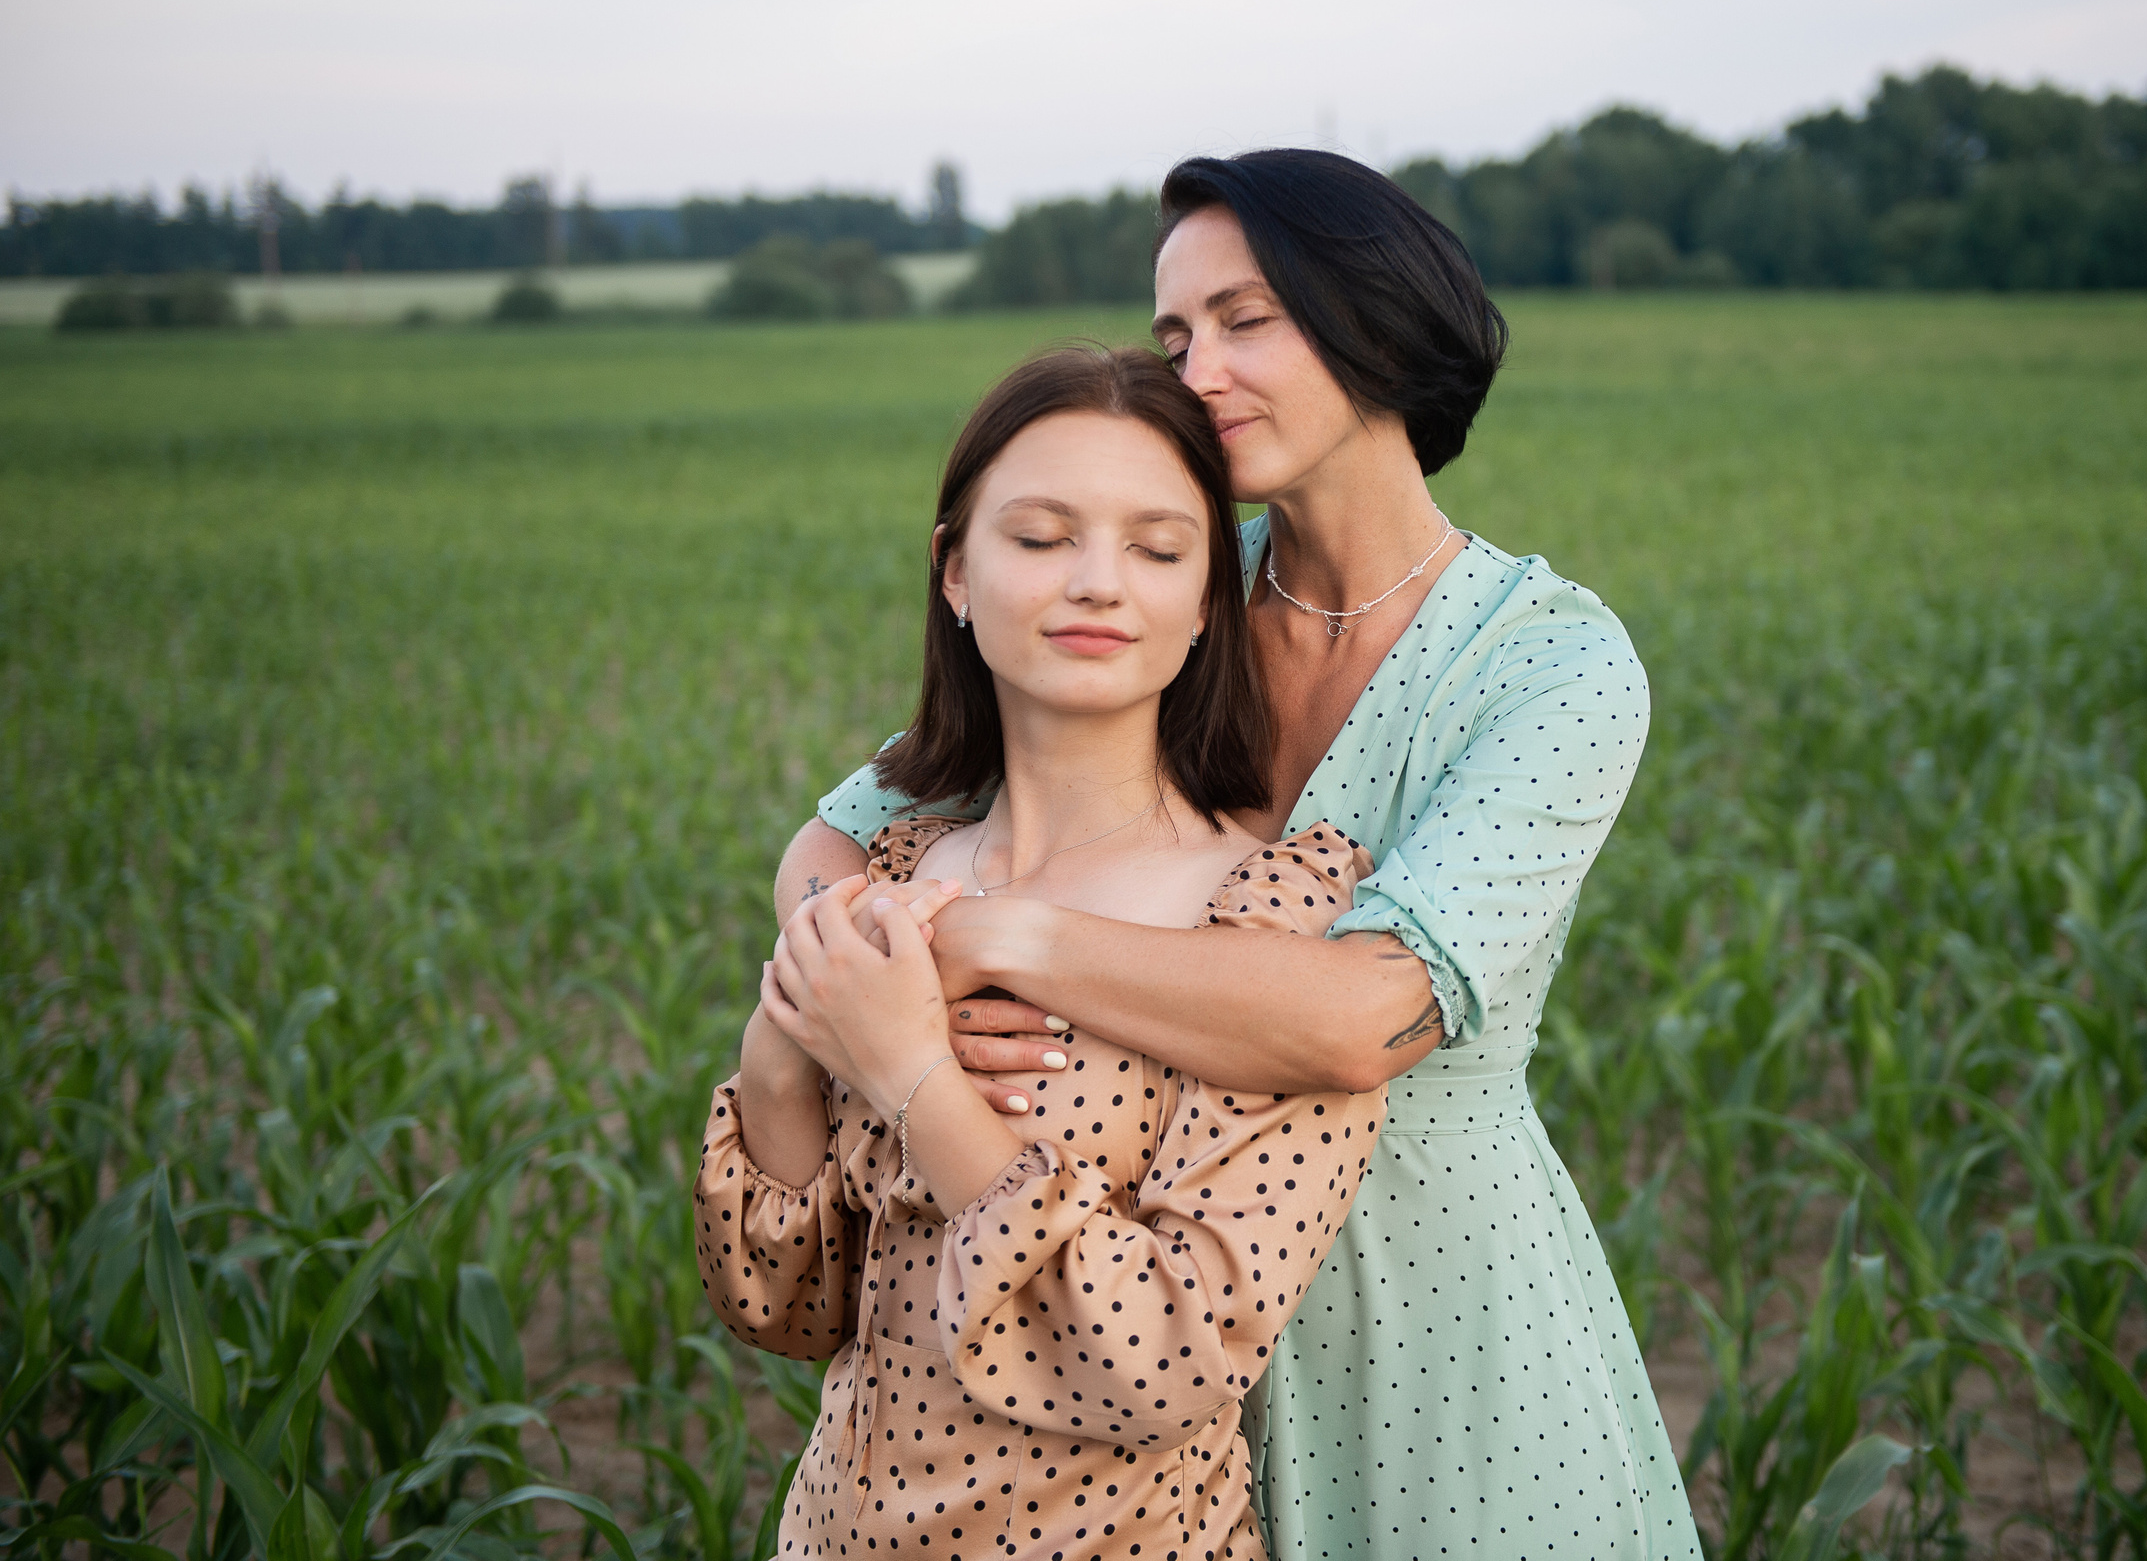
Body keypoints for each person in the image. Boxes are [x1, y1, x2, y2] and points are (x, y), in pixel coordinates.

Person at [779, 153, 1700, 1558]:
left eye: (1243, 319)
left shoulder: (1550, 665)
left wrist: (986, 943)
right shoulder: (1169, 577)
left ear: (1376, 325)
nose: (1194, 369)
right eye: (1172, 335)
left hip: (1426, 1322)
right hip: (1114, 1297)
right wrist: (871, 977)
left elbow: (1355, 1023)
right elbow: (832, 849)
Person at [698, 345, 1389, 1561]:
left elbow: (1166, 1369)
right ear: (955, 573)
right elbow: (783, 1305)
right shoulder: (899, 876)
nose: (1097, 583)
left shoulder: (1270, 923)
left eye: (1160, 549)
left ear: (1202, 610)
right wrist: (785, 1039)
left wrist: (914, 1078)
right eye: (1040, 537)